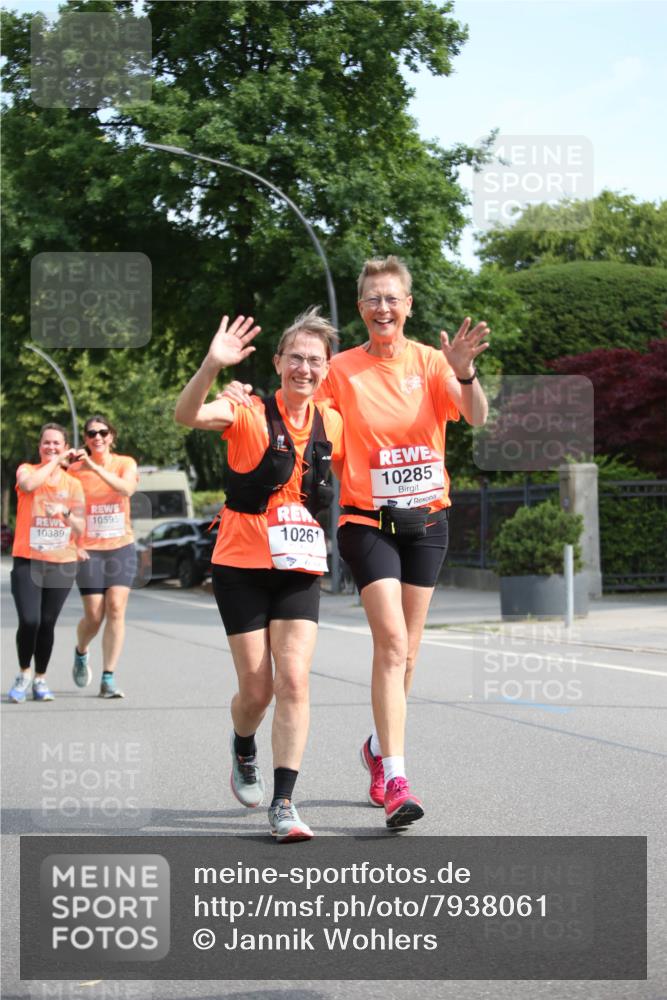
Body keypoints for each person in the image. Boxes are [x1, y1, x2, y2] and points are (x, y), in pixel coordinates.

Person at [325, 255, 490, 829]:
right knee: (391, 643)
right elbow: (304, 420)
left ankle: (375, 747)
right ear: (361, 308)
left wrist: (465, 373)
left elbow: (474, 416)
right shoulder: (339, 369)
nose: (383, 307)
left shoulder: (432, 361)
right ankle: (397, 778)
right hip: (366, 521)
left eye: (393, 297)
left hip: (427, 522)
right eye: (373, 298)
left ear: (408, 305)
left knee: (409, 653)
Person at [174, 308, 342, 842]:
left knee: (294, 679)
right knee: (258, 689)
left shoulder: (332, 420)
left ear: (327, 369)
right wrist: (211, 364)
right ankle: (243, 743)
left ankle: (284, 802)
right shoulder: (246, 410)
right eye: (296, 357)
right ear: (278, 362)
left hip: (298, 566)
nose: (305, 368)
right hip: (240, 564)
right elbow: (187, 413)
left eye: (315, 360)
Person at [8, 423, 85, 703]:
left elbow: (79, 527)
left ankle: (40, 679)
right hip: (28, 559)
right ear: (40, 447)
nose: (51, 447)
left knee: (47, 623)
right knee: (30, 620)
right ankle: (23, 673)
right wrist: (54, 463)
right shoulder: (26, 470)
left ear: (65, 447)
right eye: (47, 443)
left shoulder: (73, 484)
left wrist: (64, 512)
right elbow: (28, 486)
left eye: (57, 444)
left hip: (61, 562)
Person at [67, 415, 138, 699]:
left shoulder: (125, 464)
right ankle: (81, 650)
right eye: (91, 433)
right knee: (94, 616)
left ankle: (108, 676)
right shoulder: (73, 471)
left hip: (121, 545)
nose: (97, 437)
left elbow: (126, 489)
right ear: (85, 439)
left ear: (111, 436)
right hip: (89, 549)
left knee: (117, 608)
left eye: (103, 432)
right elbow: (65, 507)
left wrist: (93, 466)